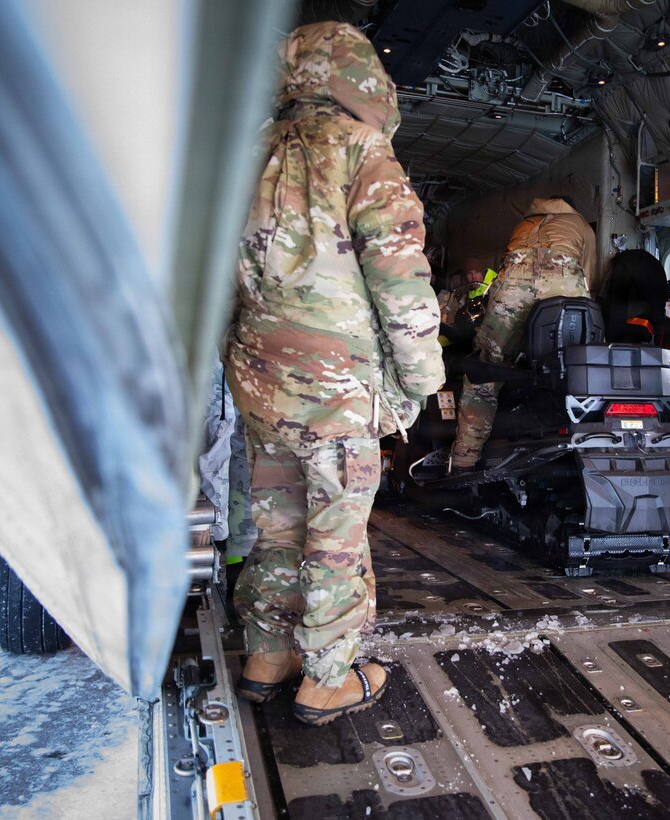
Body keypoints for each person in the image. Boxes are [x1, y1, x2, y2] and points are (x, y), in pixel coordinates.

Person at [223, 22, 444, 726]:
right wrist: (421, 381)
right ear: (361, 79)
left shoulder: (241, 153)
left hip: (260, 383)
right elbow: (401, 280)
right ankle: (325, 678)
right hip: (335, 387)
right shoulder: (362, 151)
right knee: (337, 529)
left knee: (278, 526)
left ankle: (266, 656)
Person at [450, 197, 596, 472]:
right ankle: (577, 450)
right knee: (574, 366)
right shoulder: (580, 226)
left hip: (512, 283)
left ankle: (464, 459)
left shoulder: (523, 224)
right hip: (563, 280)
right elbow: (591, 275)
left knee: (484, 372)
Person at [598, 249, 670, 344]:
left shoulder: (623, 266)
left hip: (631, 321)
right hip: (648, 314)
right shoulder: (647, 264)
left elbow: (615, 309)